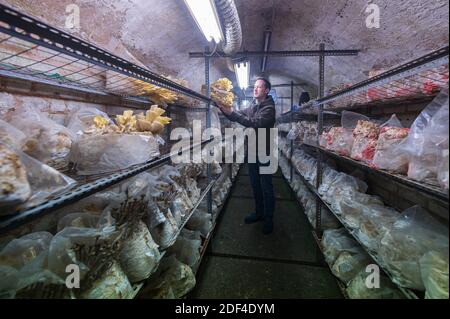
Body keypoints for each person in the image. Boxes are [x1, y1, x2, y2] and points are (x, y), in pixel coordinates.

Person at [216, 78, 276, 235]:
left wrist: (233, 114)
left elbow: (254, 123)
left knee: (266, 186)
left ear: (266, 90)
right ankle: (259, 213)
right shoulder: (254, 107)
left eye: (259, 87)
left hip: (264, 152)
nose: (255, 89)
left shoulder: (269, 108)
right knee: (255, 184)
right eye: (254, 87)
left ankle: (268, 218)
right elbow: (238, 115)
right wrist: (224, 108)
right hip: (253, 151)